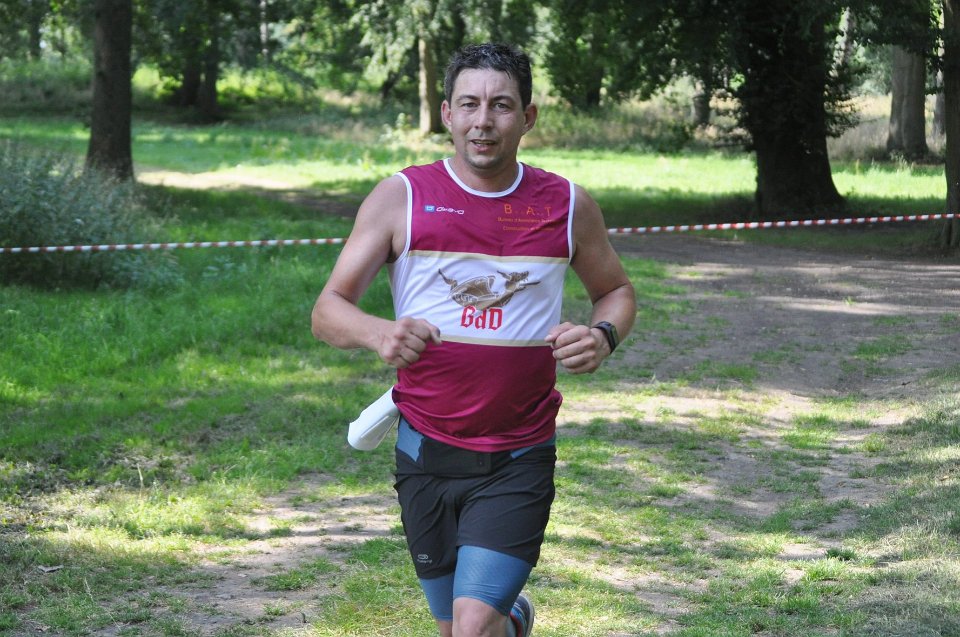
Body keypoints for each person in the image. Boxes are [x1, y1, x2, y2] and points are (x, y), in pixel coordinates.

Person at [311, 42, 636, 637]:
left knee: (470, 630)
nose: (483, 121)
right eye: (469, 104)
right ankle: (514, 623)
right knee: (458, 629)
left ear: (527, 117)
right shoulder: (401, 198)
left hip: (518, 453)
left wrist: (602, 335)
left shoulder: (566, 205)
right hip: (425, 451)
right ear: (447, 114)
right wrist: (379, 332)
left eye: (501, 105)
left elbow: (615, 290)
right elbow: (328, 310)